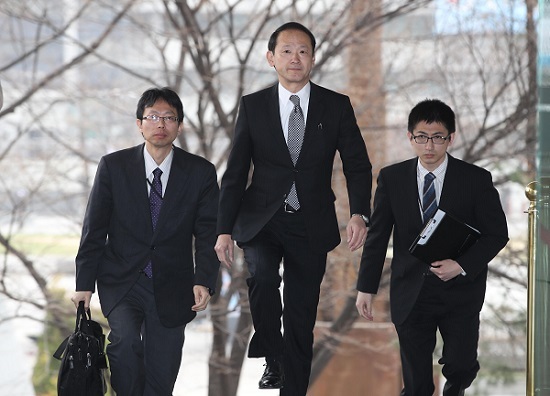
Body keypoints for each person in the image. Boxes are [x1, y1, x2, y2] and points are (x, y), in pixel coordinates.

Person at [215, 21, 372, 395]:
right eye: (286, 51)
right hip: (262, 220)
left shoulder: (336, 106)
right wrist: (223, 229)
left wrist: (359, 213)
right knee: (264, 278)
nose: (295, 58)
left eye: (303, 51)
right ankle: (271, 352)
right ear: (271, 58)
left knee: (301, 321)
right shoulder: (253, 106)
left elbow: (358, 164)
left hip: (311, 223)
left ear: (313, 58)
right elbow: (235, 172)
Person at [71, 87, 220, 396]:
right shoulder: (113, 167)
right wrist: (84, 284)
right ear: (139, 124)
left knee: (162, 371)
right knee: (124, 343)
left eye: (169, 117)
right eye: (152, 117)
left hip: (174, 283)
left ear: (180, 125)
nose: (160, 124)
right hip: (123, 278)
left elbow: (208, 232)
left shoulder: (200, 172)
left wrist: (204, 279)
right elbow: (94, 229)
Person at [355, 99, 509, 396]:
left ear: (451, 138)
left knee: (461, 365)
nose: (429, 146)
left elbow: (496, 234)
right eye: (422, 137)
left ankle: (456, 389)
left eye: (438, 137)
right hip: (411, 290)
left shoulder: (476, 180)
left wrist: (461, 265)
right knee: (416, 382)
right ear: (410, 137)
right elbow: (377, 238)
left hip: (460, 291)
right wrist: (366, 287)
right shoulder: (392, 178)